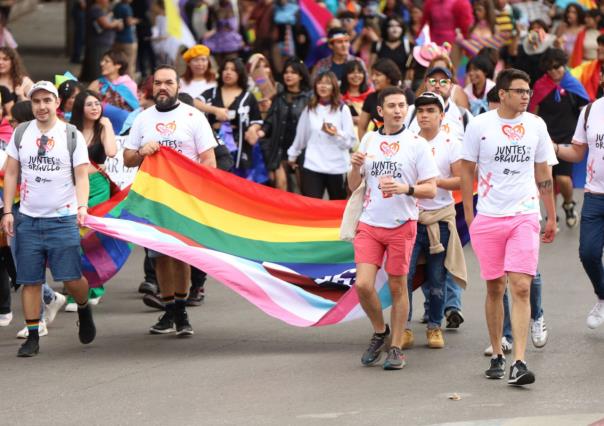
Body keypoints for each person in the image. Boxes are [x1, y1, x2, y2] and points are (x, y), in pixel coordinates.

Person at [460, 69, 557, 386]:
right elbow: (466, 171)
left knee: (520, 286)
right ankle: (498, 355)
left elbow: (543, 169)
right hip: (488, 215)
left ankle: (519, 359)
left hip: (524, 213)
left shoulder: (536, 125)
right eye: (519, 91)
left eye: (528, 90)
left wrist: (551, 214)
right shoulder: (480, 126)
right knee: (494, 288)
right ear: (502, 94)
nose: (526, 96)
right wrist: (470, 216)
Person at [1, 81, 96, 357]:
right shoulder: (21, 133)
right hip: (28, 219)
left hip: (63, 218)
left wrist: (82, 207)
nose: (41, 106)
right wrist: (8, 211)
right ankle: (33, 336)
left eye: (47, 101)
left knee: (71, 277)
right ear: (31, 104)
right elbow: (10, 174)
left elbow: (81, 175)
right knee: (29, 280)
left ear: (56, 103)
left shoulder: (71, 134)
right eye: (36, 101)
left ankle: (83, 306)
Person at [123, 65, 217, 336]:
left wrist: (204, 195)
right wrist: (143, 150)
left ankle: (181, 310)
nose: (162, 87)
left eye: (168, 83)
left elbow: (208, 159)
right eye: (158, 83)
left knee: (181, 255)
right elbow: (128, 158)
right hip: (153, 200)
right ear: (152, 87)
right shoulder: (143, 118)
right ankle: (169, 311)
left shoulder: (193, 116)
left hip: (185, 198)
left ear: (178, 87)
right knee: (159, 256)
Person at [350, 86, 438, 370]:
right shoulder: (369, 140)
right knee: (363, 284)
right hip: (370, 223)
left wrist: (405, 188)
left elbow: (431, 189)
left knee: (399, 287)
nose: (398, 110)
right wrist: (354, 168)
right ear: (380, 111)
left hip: (402, 224)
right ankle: (380, 331)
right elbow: (355, 186)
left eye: (402, 105)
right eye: (392, 106)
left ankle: (397, 348)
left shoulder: (417, 144)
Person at [404, 92, 466, 350]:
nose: (425, 116)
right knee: (403, 277)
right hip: (409, 218)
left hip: (439, 219)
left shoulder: (451, 143)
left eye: (430, 111)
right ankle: (403, 328)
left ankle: (434, 327)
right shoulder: (408, 142)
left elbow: (462, 180)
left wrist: (434, 181)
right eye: (420, 111)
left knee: (437, 278)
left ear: (441, 115)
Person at [556, 63, 604, 330]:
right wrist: (552, 148)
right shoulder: (590, 111)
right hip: (596, 195)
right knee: (588, 253)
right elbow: (576, 152)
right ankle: (602, 295)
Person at [65, 90, 118, 310]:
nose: (95, 108)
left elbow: (112, 152)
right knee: (72, 238)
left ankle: (95, 287)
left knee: (91, 238)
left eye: (98, 104)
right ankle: (75, 290)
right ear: (80, 108)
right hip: (74, 186)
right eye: (89, 105)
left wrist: (106, 125)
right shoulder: (70, 131)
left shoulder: (103, 125)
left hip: (98, 188)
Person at [530, 48, 590, 228]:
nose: (554, 71)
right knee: (547, 179)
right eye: (550, 68)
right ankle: (551, 214)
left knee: (563, 179)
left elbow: (585, 111)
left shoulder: (573, 84)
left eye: (557, 67)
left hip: (567, 139)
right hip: (545, 140)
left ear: (564, 65)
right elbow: (532, 112)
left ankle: (569, 204)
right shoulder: (540, 86)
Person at [287, 71, 355, 200]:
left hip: (337, 167)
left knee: (337, 207)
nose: (323, 86)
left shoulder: (342, 109)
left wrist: (336, 133)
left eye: (327, 83)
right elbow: (301, 136)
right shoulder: (310, 109)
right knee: (311, 206)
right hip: (313, 164)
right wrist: (292, 155)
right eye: (320, 83)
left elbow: (351, 142)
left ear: (334, 86)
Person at [200, 58, 264, 182]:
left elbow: (257, 120)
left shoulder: (248, 96)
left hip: (241, 149)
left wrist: (253, 128)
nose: (228, 72)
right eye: (225, 69)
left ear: (240, 74)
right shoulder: (212, 93)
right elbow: (195, 102)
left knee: (240, 186)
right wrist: (215, 110)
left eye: (233, 70)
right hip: (215, 149)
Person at [259, 58, 312, 191]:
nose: (288, 75)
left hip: (302, 151)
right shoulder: (279, 97)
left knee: (303, 190)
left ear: (300, 76)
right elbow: (269, 121)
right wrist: (261, 132)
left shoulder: (309, 98)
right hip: (280, 149)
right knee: (280, 187)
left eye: (293, 72)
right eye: (286, 72)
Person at [358, 58, 414, 140]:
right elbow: (362, 127)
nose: (373, 78)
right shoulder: (371, 98)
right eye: (372, 74)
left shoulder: (407, 95)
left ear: (389, 77)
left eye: (378, 75)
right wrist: (365, 147)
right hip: (377, 145)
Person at [80, 0, 124, 82]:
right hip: (99, 43)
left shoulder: (101, 9)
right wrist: (116, 23)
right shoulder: (96, 9)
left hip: (103, 42)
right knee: (98, 70)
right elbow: (105, 24)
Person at [341, 59, 373, 130]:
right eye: (352, 72)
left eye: (359, 72)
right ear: (345, 75)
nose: (356, 75)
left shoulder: (371, 94)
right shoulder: (339, 96)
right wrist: (352, 119)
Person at [113, 0, 139, 78]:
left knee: (117, 64)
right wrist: (136, 20)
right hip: (128, 40)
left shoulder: (116, 6)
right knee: (129, 65)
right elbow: (129, 22)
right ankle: (129, 86)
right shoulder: (127, 7)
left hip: (117, 39)